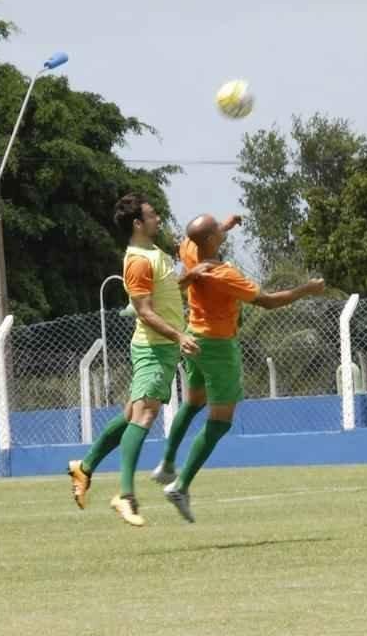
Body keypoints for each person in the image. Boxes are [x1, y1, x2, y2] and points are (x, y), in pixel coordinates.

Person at [152, 214, 325, 521]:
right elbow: (268, 301)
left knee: (193, 402)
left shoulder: (190, 251)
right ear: (209, 240)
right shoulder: (225, 275)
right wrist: (306, 289)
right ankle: (180, 486)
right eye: (218, 228)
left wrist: (227, 225)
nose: (222, 228)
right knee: (220, 421)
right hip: (218, 347)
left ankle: (166, 464)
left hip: (194, 338)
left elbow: (197, 241)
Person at [66, 194, 210, 526]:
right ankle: (125, 496)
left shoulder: (153, 253)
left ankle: (83, 468)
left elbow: (166, 289)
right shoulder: (137, 261)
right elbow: (145, 312)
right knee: (144, 417)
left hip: (163, 347)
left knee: (131, 415)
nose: (158, 218)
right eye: (152, 214)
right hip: (154, 347)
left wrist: (190, 276)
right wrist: (179, 336)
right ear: (137, 224)